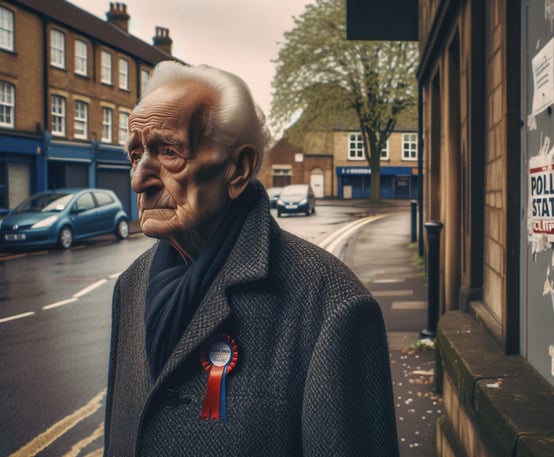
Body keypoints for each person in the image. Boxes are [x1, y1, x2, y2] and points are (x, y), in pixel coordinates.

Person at [103, 60, 399, 456]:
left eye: (168, 151)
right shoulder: (131, 286)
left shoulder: (334, 306)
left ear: (238, 169)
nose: (139, 178)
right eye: (135, 155)